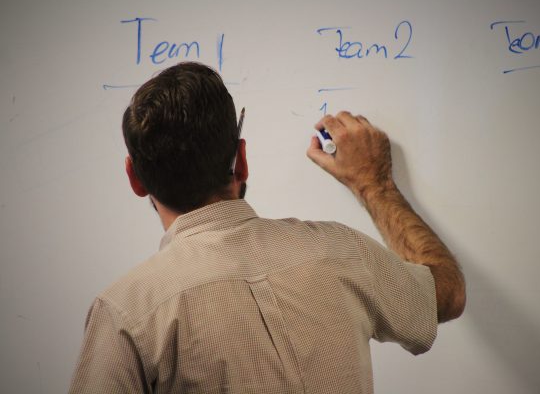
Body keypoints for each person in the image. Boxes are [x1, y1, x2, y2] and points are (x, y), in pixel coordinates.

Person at [69, 62, 465, 393]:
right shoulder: (342, 253)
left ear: (135, 180)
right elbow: (446, 293)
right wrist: (374, 184)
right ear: (241, 160)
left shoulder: (127, 313)